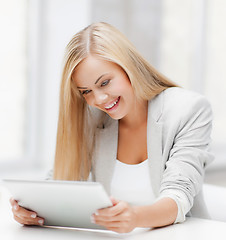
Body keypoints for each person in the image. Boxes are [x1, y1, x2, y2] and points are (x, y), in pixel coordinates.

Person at [10, 22, 214, 233]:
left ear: (129, 68)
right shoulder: (92, 119)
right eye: (86, 91)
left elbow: (179, 195)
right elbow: (61, 178)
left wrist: (135, 217)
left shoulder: (188, 110)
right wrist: (32, 208)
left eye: (105, 82)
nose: (98, 99)